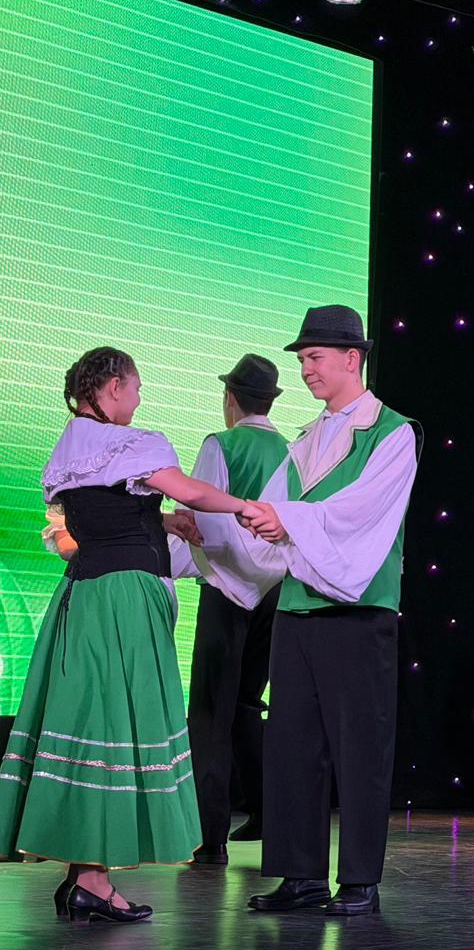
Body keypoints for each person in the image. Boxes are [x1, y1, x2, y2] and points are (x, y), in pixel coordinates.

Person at [0, 347, 259, 923]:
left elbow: (100, 515)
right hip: (124, 599)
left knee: (92, 723)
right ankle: (93, 881)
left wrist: (161, 521)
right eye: (136, 388)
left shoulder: (70, 446)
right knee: (115, 724)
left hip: (83, 599)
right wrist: (245, 507)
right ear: (114, 385)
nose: (139, 400)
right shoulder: (133, 442)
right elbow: (189, 489)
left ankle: (83, 878)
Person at [187, 305, 420, 917]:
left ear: (352, 359)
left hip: (358, 610)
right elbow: (272, 511)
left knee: (360, 745)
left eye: (315, 357)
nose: (306, 369)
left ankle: (360, 879)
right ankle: (301, 873)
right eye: (302, 359)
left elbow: (360, 514)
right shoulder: (306, 440)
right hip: (296, 608)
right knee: (292, 742)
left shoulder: (393, 433)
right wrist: (251, 520)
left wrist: (284, 520)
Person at [186, 354, 289, 864]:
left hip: (227, 589)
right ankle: (266, 811)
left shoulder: (221, 444)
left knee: (211, 711)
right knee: (249, 702)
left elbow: (201, 515)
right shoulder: (291, 451)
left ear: (231, 398)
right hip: (276, 589)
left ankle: (211, 838)